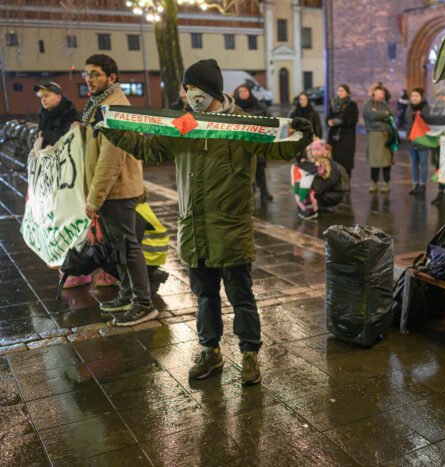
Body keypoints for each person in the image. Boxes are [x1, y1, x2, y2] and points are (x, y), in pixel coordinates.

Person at [100, 59, 312, 384]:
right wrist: (115, 134)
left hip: (231, 231)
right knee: (205, 298)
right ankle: (210, 352)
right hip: (194, 230)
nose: (189, 94)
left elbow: (279, 149)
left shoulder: (241, 125)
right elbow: (151, 149)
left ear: (211, 89)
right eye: (186, 89)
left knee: (241, 297)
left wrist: (302, 136)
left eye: (194, 88)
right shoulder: (184, 124)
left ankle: (249, 355)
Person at [81, 54, 155, 326]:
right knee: (120, 248)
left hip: (118, 190)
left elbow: (110, 160)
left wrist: (94, 198)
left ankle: (143, 303)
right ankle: (126, 295)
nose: (89, 79)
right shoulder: (99, 104)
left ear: (112, 78)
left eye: (95, 74)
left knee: (128, 247)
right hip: (112, 190)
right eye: (87, 74)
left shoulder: (115, 108)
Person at [30, 81, 90, 288]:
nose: (43, 100)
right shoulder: (44, 116)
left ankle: (78, 269)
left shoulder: (70, 116)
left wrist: (45, 137)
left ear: (58, 96)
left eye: (46, 95)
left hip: (67, 178)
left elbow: (66, 145)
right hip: (50, 179)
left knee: (69, 216)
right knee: (54, 218)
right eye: (41, 97)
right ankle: (66, 266)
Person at [234, 83, 273, 202]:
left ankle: (264, 192)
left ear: (249, 92)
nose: (243, 94)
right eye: (240, 92)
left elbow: (269, 121)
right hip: (242, 145)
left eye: (245, 91)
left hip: (257, 143)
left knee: (260, 169)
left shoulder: (259, 106)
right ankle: (249, 194)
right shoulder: (235, 109)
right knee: (246, 171)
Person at [292, 140, 349, 220]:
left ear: (323, 151)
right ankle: (307, 206)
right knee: (301, 185)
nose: (314, 152)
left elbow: (329, 182)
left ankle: (311, 208)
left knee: (307, 190)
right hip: (324, 191)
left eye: (317, 150)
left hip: (333, 194)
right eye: (312, 150)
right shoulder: (314, 162)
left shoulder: (329, 164)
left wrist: (312, 187)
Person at [363, 84, 393, 193]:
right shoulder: (368, 104)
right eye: (380, 92)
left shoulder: (385, 105)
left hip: (385, 135)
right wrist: (383, 115)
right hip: (373, 135)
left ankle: (386, 182)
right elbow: (370, 115)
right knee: (374, 161)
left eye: (383, 92)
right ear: (374, 92)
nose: (382, 94)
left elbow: (390, 116)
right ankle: (374, 182)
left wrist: (380, 115)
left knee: (386, 161)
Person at [327, 84, 358, 180]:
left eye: (342, 91)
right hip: (334, 139)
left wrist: (337, 122)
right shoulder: (333, 104)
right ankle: (336, 183)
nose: (340, 93)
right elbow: (328, 117)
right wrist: (328, 121)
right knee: (334, 162)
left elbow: (352, 121)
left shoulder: (352, 105)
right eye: (339, 91)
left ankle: (346, 182)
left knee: (345, 163)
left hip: (346, 138)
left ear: (347, 93)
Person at [404, 87, 431, 195]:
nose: (414, 98)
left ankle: (423, 185)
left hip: (423, 140)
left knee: (423, 163)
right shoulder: (409, 108)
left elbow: (428, 122)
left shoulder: (426, 108)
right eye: (412, 96)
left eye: (416, 96)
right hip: (412, 139)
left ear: (421, 97)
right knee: (413, 163)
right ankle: (415, 184)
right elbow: (407, 122)